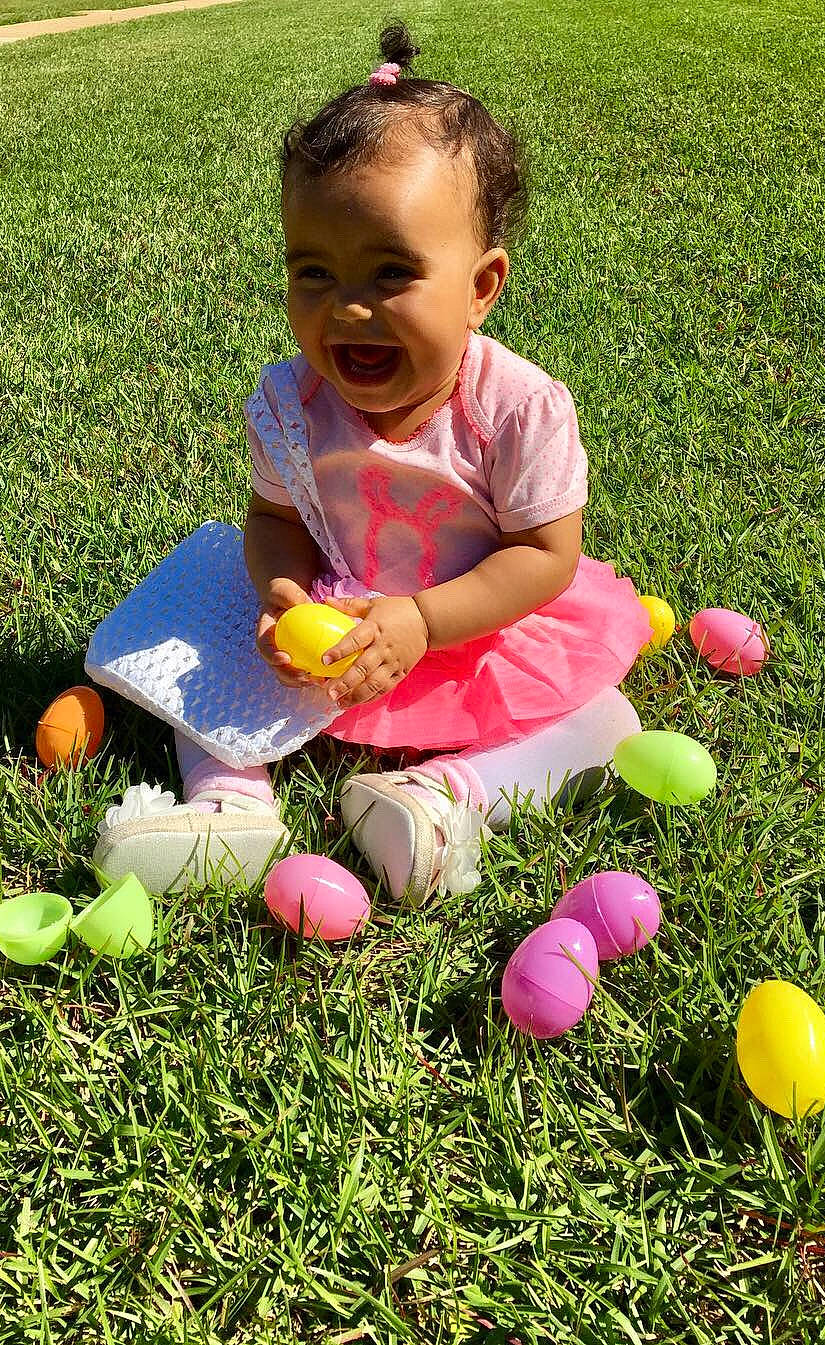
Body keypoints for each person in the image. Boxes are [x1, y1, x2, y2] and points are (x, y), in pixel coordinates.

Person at [91, 20, 652, 907]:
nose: (347, 310)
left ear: (481, 287)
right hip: (340, 618)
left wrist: (426, 621)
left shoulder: (517, 408)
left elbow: (545, 555)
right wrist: (281, 594)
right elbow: (276, 522)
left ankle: (436, 801)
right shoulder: (290, 405)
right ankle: (231, 803)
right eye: (313, 273)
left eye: (391, 274)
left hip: (474, 628)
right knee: (200, 643)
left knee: (604, 717)